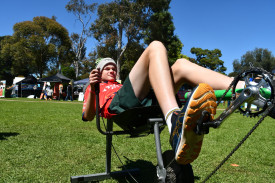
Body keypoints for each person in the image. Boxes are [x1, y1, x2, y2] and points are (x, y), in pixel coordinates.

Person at [82, 41, 273, 165]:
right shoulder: (95, 87)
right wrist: (93, 87)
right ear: (99, 72)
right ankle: (174, 120)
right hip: (121, 108)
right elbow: (88, 116)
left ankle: (253, 90)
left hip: (145, 101)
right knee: (156, 46)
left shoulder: (120, 84)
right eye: (106, 68)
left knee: (181, 65)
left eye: (113, 68)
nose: (111, 70)